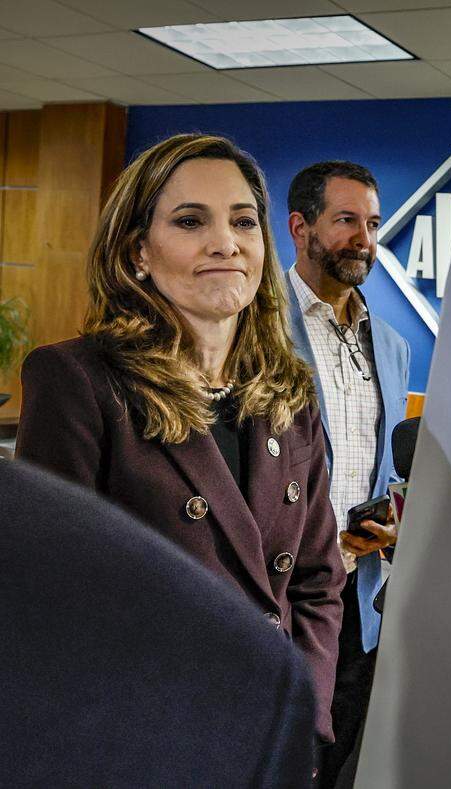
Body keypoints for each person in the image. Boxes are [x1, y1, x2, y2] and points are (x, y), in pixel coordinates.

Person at [16, 133, 345, 746]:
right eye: (191, 221)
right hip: (148, 739)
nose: (225, 242)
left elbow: (316, 582)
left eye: (243, 221)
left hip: (271, 736)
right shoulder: (78, 380)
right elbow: (56, 600)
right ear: (138, 250)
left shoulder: (287, 392)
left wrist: (306, 721)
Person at [0, 459, 317, 788]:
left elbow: (317, 575)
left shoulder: (289, 410)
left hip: (251, 709)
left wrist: (307, 719)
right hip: (143, 713)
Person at [283, 161, 410, 786]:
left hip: (359, 598)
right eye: (347, 221)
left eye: (374, 223)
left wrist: (389, 520)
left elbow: (382, 465)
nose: (365, 238)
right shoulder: (253, 328)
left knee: (338, 763)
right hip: (279, 595)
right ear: (300, 227)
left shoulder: (389, 343)